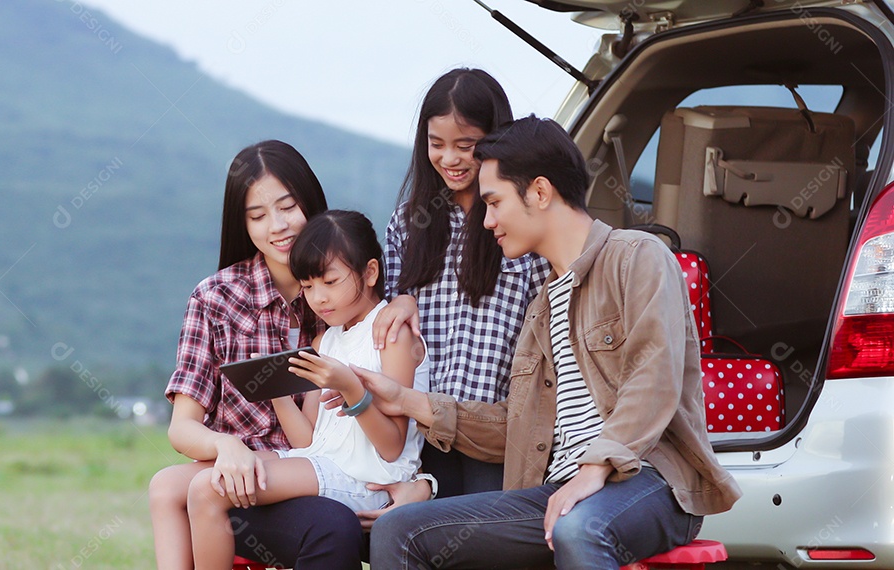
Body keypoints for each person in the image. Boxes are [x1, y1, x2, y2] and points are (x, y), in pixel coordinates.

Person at [359, 116, 743, 569]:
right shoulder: (541, 308)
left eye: (495, 202)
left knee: (577, 527)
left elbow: (653, 378)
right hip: (557, 492)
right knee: (398, 531)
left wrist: (594, 467)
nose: (487, 221)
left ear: (540, 193)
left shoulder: (637, 256)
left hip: (648, 480)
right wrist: (406, 401)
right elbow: (516, 428)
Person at [148, 140, 364, 570]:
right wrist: (225, 445)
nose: (278, 226)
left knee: (328, 524)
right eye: (258, 215)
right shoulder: (215, 298)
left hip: (316, 470)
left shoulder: (343, 291)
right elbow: (182, 428)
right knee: (165, 486)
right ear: (241, 224)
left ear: (311, 204)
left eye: (288, 207)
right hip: (237, 474)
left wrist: (401, 306)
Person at [180, 210, 431, 569]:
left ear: (371, 272)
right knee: (194, 481)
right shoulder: (327, 341)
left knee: (209, 489)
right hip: (324, 464)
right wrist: (278, 391)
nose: (319, 298)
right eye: (309, 286)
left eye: (330, 282)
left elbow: (392, 448)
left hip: (371, 481)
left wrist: (350, 388)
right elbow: (306, 442)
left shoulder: (392, 333)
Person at [371, 68, 552, 500]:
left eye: (465, 146)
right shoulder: (408, 224)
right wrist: (398, 300)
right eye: (437, 145)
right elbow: (388, 317)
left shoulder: (518, 224)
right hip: (421, 431)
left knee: (483, 540)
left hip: (494, 433)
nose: (450, 158)